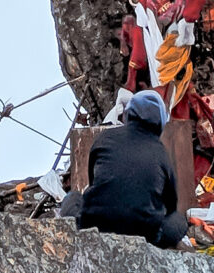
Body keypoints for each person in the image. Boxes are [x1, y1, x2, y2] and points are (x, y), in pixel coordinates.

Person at [76, 88, 189, 248]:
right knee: (178, 221)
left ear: (128, 114)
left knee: (73, 199)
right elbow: (171, 205)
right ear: (160, 123)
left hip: (95, 225)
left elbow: (93, 182)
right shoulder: (161, 152)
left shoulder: (105, 138)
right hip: (143, 234)